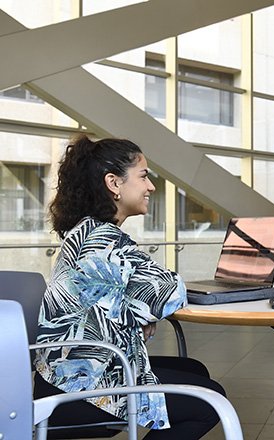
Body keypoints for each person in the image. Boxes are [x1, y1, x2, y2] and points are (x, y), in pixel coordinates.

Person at [34, 135, 225, 439]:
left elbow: (133, 293)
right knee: (211, 401)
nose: (151, 186)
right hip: (82, 386)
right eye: (144, 176)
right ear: (114, 183)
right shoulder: (102, 240)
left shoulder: (87, 230)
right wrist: (146, 308)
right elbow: (168, 289)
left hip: (63, 374)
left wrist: (140, 310)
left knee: (194, 371)